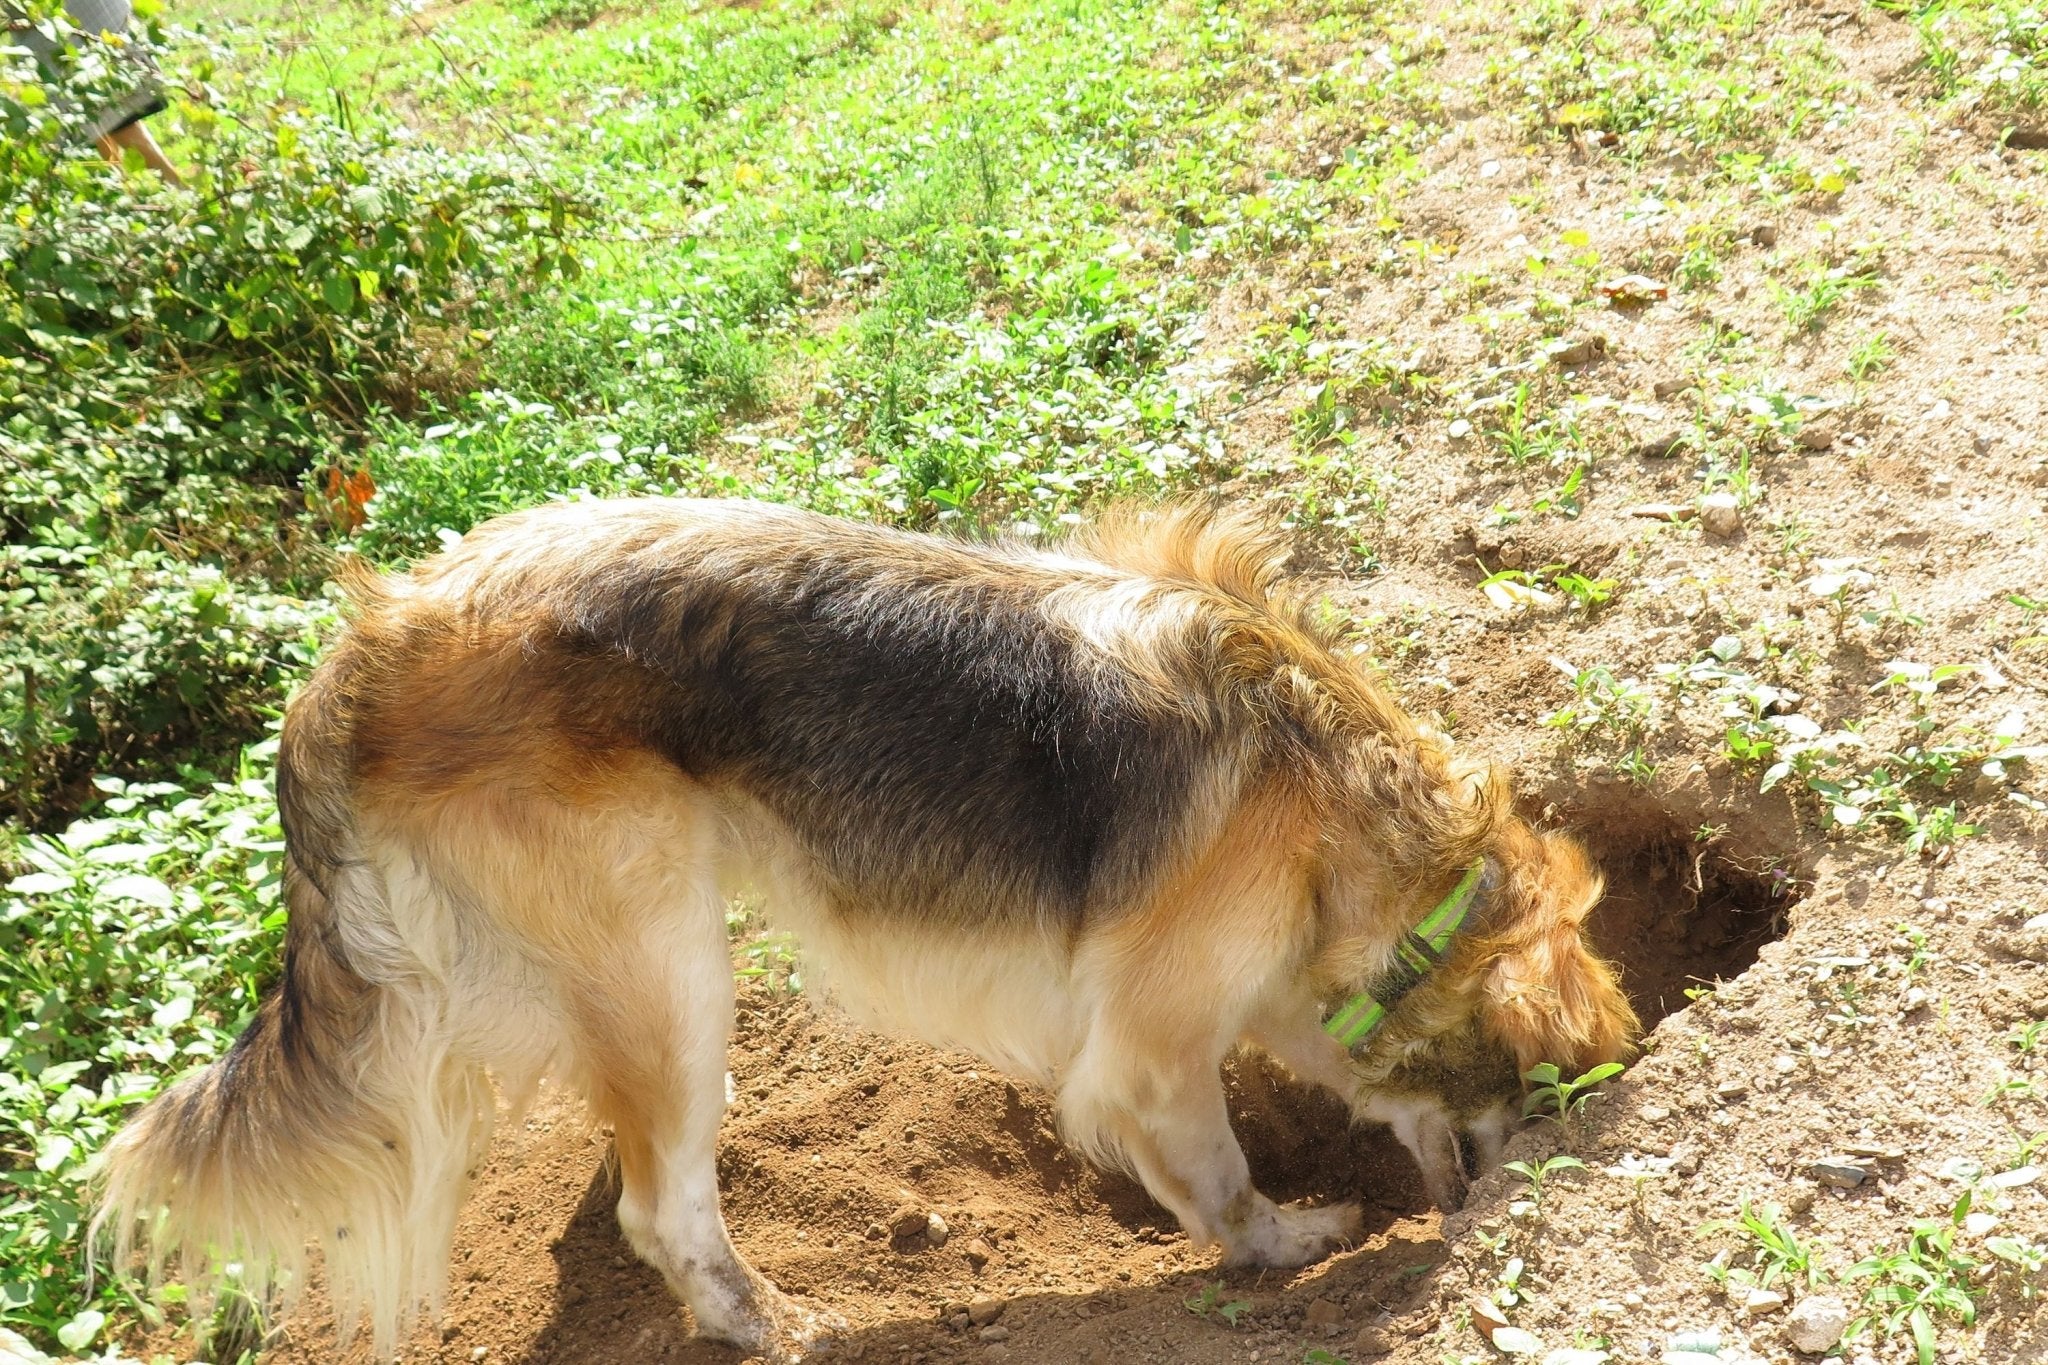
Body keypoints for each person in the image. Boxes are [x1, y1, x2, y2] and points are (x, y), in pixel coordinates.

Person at [4, 0, 182, 183]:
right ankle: (121, 186)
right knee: (92, 109)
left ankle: (178, 188)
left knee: (111, 110)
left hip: (66, 16)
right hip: (52, 18)